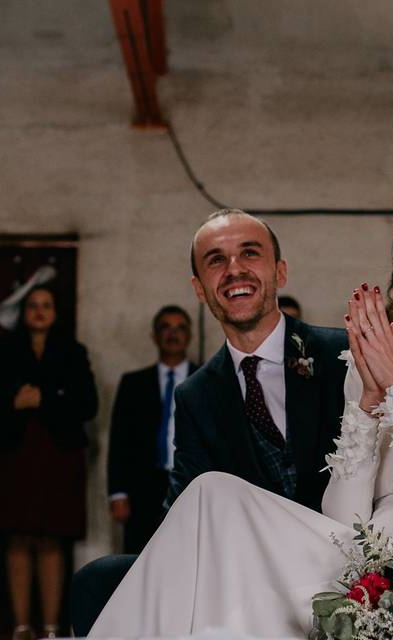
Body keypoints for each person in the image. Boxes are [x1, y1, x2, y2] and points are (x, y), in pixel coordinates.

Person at [87, 176, 393, 637]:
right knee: (210, 495)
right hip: (354, 568)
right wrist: (367, 405)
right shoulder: (372, 358)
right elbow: (343, 521)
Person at [70, 209, 349, 635]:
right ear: (199, 289)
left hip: (335, 558)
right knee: (98, 579)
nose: (234, 269)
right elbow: (184, 505)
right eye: (216, 260)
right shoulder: (196, 393)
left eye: (249, 253)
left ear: (280, 271)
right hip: (247, 570)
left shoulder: (340, 354)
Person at [0, 285, 99, 640]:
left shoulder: (72, 352)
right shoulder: (2, 352)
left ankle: (50, 627)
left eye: (46, 305)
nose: (39, 311)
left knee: (51, 538)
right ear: (24, 312)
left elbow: (87, 404)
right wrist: (14, 403)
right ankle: (21, 626)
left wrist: (45, 399)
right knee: (18, 538)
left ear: (55, 312)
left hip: (56, 452)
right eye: (33, 305)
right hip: (13, 452)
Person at [106, 304, 198, 554]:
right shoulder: (133, 383)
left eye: (180, 328)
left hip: (190, 484)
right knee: (140, 559)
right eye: (165, 328)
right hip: (143, 486)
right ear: (154, 335)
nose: (173, 334)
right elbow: (119, 440)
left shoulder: (206, 379)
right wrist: (117, 493)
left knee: (188, 555)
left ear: (189, 335)